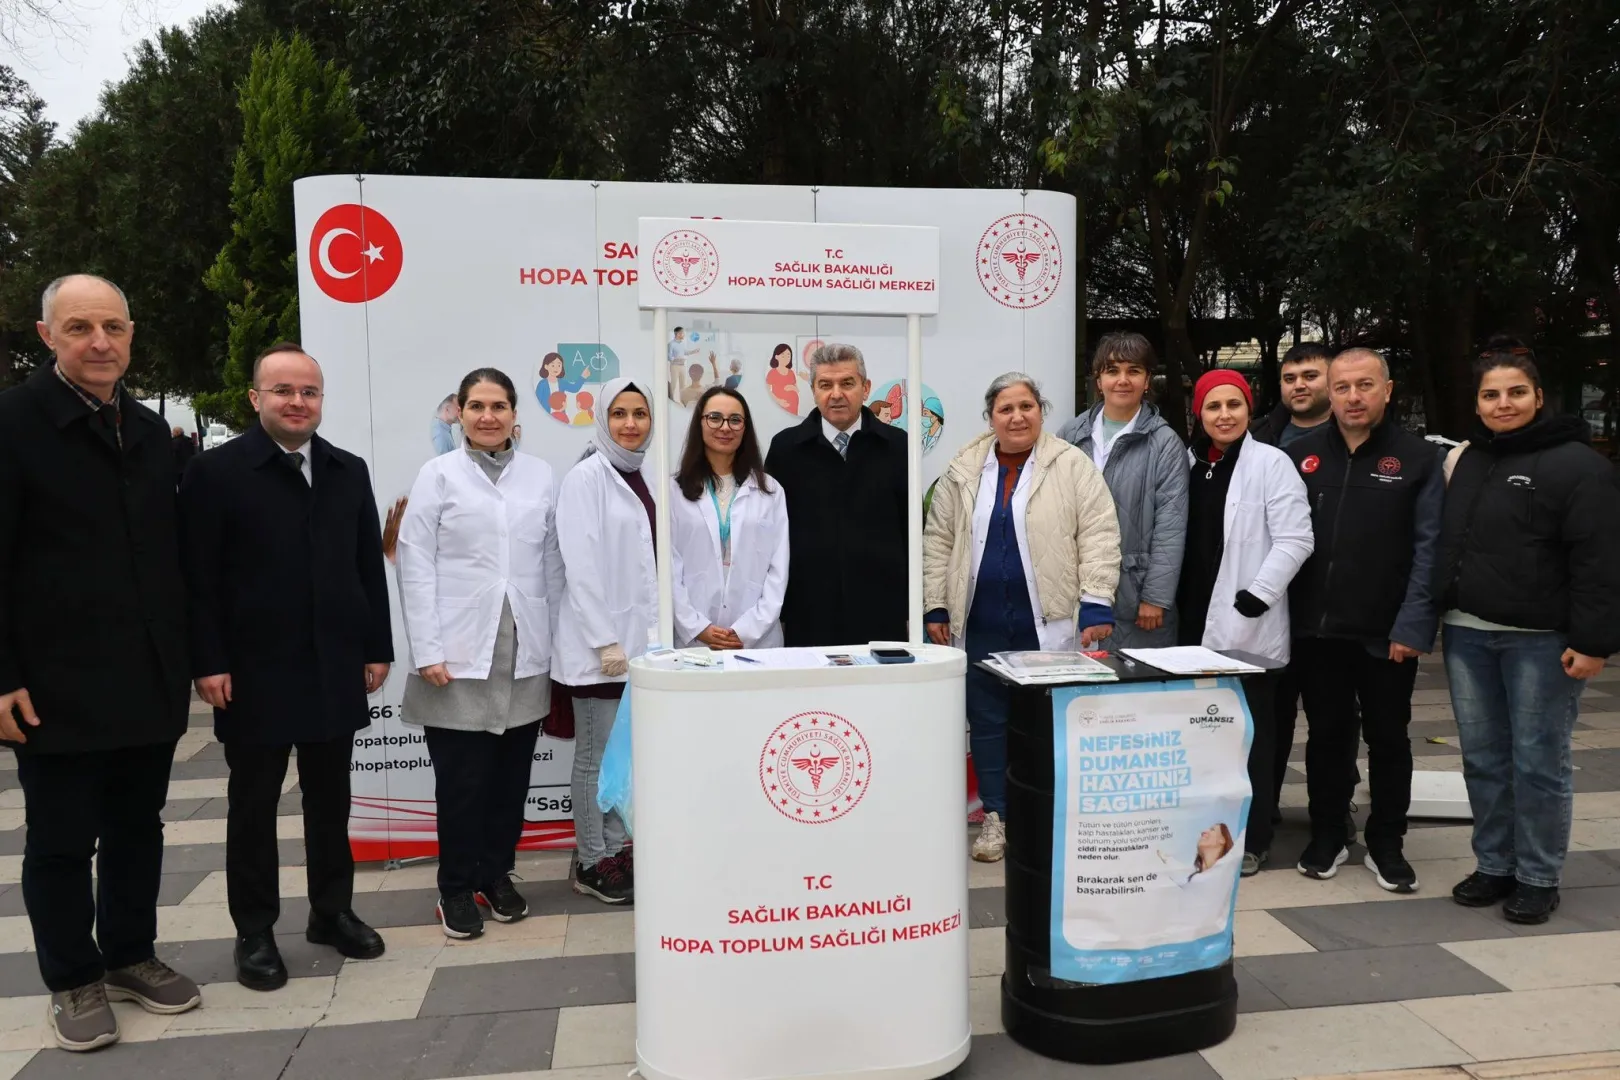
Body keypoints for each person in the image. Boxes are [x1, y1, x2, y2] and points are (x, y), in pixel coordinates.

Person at [0, 274, 200, 1051]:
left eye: (113, 326)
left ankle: (128, 954)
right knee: (59, 840)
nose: (99, 342)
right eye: (80, 327)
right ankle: (72, 978)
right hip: (53, 685)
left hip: (145, 676)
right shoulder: (13, 424)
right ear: (47, 336)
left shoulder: (145, 429)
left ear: (131, 335)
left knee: (136, 828)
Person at [180, 341, 392, 991]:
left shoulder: (347, 470)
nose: (297, 402)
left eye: (309, 391)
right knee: (254, 806)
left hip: (334, 664)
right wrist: (208, 660)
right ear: (256, 398)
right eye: (283, 390)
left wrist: (376, 646)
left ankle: (332, 912)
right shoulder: (215, 472)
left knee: (331, 800)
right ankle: (255, 931)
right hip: (254, 672)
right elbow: (198, 578)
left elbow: (367, 565)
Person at [1436, 339, 1620, 924]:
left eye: (1516, 392)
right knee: (1483, 759)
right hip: (1467, 634)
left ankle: (1538, 876)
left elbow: (1600, 560)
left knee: (1539, 761)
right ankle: (1495, 864)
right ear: (1477, 403)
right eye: (1491, 394)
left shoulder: (1579, 466)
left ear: (1539, 397)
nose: (1503, 403)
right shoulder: (1469, 460)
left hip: (1541, 642)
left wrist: (1593, 642)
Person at [923, 373, 1122, 862]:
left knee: (1044, 722)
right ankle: (997, 817)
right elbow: (938, 540)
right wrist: (936, 603)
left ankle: (1045, 816)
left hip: (1046, 621)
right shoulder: (963, 469)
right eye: (1006, 409)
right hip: (981, 621)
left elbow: (1099, 534)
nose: (1017, 417)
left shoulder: (1071, 465)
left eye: (1026, 407)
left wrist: (1097, 600)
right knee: (987, 722)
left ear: (1041, 411)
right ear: (990, 418)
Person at [396, 368, 565, 940]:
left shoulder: (540, 475)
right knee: (462, 784)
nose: (488, 416)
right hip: (456, 657)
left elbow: (551, 564)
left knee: (511, 782)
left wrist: (556, 643)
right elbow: (415, 563)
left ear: (515, 414)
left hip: (523, 654)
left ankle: (495, 874)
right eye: (476, 406)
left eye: (498, 406)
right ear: (460, 413)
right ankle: (454, 887)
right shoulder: (438, 474)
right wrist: (427, 649)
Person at [1287, 348, 1442, 892]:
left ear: (1387, 390)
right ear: (1330, 392)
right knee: (1326, 736)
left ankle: (1387, 842)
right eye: (1343, 387)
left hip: (1386, 634)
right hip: (1317, 630)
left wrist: (1413, 624)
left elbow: (1430, 550)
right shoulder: (1299, 455)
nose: (1353, 397)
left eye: (1365, 385)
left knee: (1388, 738)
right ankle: (1329, 832)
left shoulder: (1419, 459)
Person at [1175, 370, 1314, 876]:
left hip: (1245, 620)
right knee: (1199, 737)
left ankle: (1253, 838)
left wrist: (1259, 594)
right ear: (1199, 414)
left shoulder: (1271, 463)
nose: (1224, 415)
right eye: (1213, 406)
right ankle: (1201, 833)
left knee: (1249, 737)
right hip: (1191, 621)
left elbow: (1297, 538)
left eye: (1234, 404)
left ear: (1248, 409)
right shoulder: (1189, 463)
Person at [555, 377, 656, 905]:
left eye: (640, 413)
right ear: (602, 419)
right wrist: (604, 642)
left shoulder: (642, 474)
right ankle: (592, 859)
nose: (630, 423)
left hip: (638, 647)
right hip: (601, 652)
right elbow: (580, 564)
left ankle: (617, 851)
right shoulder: (586, 477)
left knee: (623, 758)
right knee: (596, 757)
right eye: (619, 413)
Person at [766, 344, 908, 646]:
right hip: (808, 611)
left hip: (883, 609)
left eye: (847, 383)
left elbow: (912, 528)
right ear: (813, 391)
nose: (836, 394)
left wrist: (913, 606)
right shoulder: (785, 449)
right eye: (825, 385)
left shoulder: (898, 446)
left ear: (865, 388)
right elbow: (770, 535)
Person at [1057, 332, 1187, 649]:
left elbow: (1171, 526)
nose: (1122, 380)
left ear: (1147, 380)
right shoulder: (1070, 434)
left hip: (1135, 598)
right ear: (1098, 381)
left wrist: (1156, 597)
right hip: (1072, 593)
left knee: (1130, 679)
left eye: (1134, 371)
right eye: (1112, 371)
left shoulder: (1165, 443)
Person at [671, 387, 789, 650]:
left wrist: (746, 630)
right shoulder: (673, 491)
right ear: (700, 423)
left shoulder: (770, 491)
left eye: (735, 420)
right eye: (715, 418)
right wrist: (697, 627)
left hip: (756, 640)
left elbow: (778, 570)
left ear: (745, 428)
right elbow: (668, 568)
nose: (725, 427)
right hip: (694, 642)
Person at [1253, 343, 1335, 448]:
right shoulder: (1254, 435)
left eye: (1310, 376)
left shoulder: (1352, 433)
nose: (1298, 386)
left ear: (1334, 380)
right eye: (1290, 379)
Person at [766, 343, 799, 413]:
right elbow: (767, 390)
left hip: (793, 405)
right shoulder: (772, 373)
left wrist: (793, 388)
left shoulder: (791, 373)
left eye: (788, 356)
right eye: (783, 356)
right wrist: (778, 401)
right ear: (776, 357)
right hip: (779, 405)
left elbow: (797, 390)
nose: (786, 358)